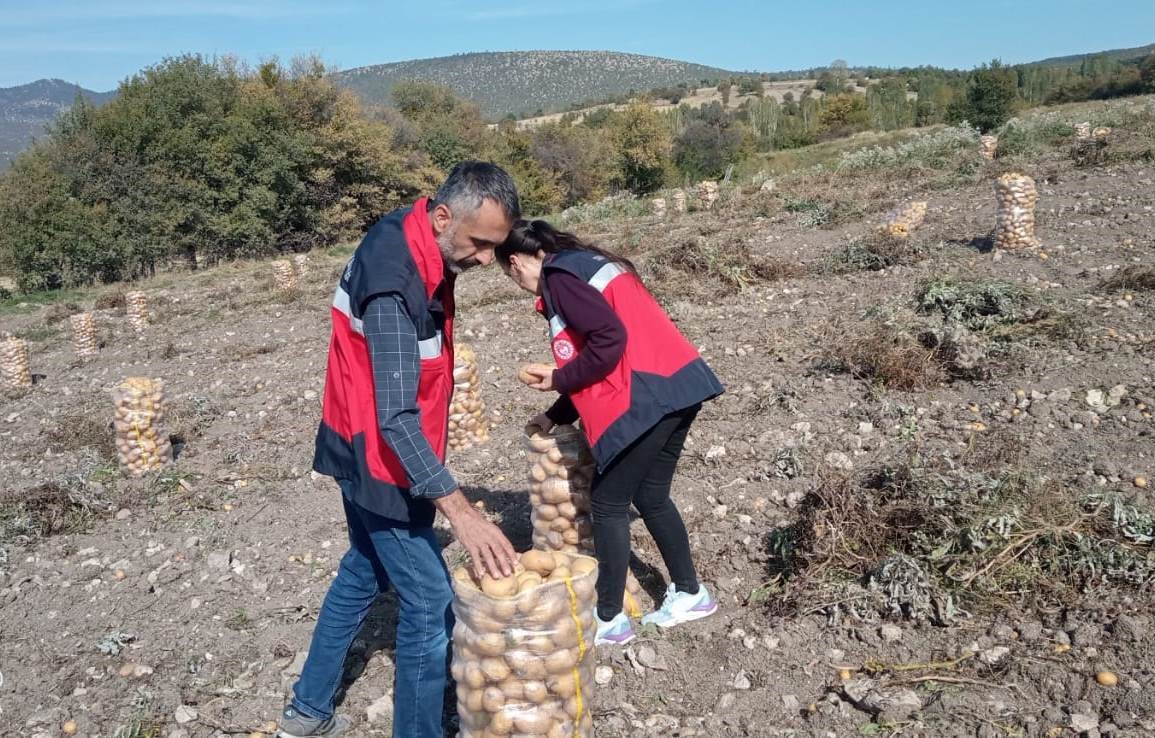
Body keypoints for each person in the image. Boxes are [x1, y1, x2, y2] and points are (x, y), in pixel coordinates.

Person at [278, 162, 521, 738]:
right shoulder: (393, 286)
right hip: (376, 457)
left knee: (363, 571)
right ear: (443, 217)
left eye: (496, 246)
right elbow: (396, 419)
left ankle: (307, 711)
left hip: (354, 435)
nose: (487, 259)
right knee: (431, 602)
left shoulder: (416, 232)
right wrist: (461, 514)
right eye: (480, 244)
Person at [495, 219, 724, 646]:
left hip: (646, 396)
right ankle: (691, 594)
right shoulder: (583, 265)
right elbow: (595, 350)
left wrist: (560, 380)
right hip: (676, 385)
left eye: (512, 277)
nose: (519, 285)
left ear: (515, 263)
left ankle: (607, 619)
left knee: (608, 502)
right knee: (651, 496)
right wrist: (557, 411)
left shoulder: (558, 278)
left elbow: (608, 339)